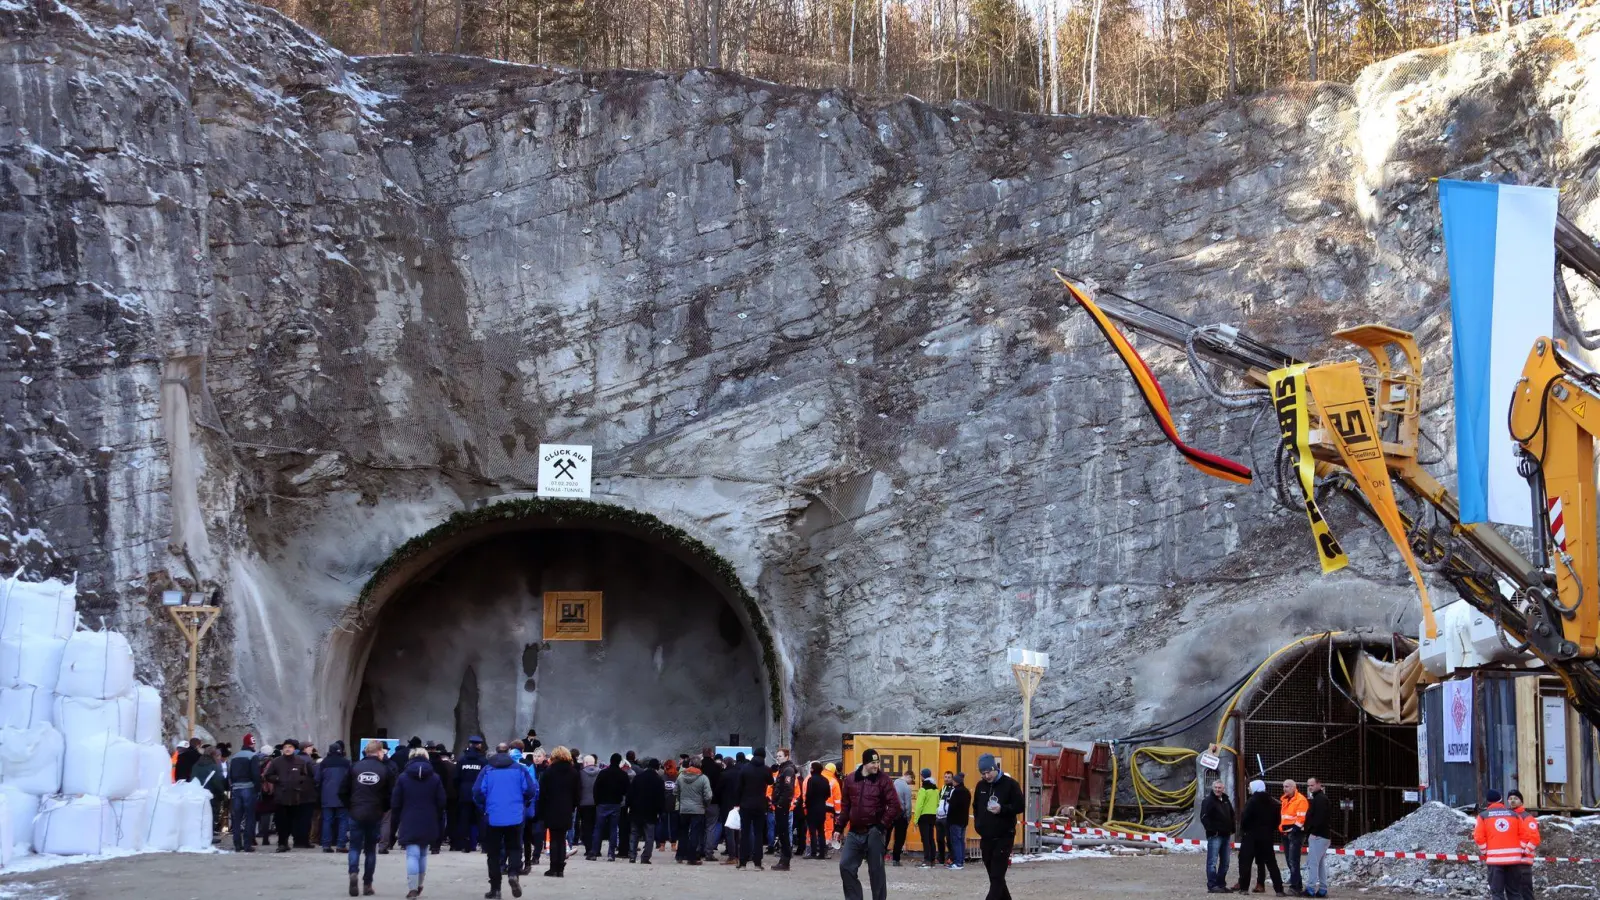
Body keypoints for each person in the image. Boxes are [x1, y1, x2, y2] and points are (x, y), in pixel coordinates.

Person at [475, 742, 536, 899]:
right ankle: (513, 874)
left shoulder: (487, 769)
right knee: (515, 847)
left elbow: (477, 791)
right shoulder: (520, 769)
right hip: (515, 815)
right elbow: (530, 789)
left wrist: (484, 805)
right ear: (509, 751)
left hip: (493, 816)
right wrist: (523, 802)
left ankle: (495, 889)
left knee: (493, 854)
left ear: (496, 751)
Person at [839, 749, 902, 900]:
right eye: (873, 763)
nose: (876, 766)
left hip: (874, 832)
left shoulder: (883, 780)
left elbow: (895, 806)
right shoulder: (850, 779)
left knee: (876, 872)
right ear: (865, 763)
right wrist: (838, 827)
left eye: (877, 762)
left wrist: (881, 825)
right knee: (845, 866)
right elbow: (845, 806)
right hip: (854, 832)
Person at [392, 747, 447, 900]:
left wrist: (397, 818)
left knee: (412, 854)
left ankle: (412, 888)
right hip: (429, 818)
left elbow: (396, 801)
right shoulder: (435, 777)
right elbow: (442, 800)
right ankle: (420, 884)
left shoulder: (403, 777)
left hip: (409, 817)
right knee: (423, 853)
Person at [344, 740, 396, 898]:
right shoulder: (385, 769)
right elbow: (390, 793)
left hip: (356, 811)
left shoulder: (354, 767)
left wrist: (350, 806)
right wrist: (384, 808)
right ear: (380, 752)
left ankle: (353, 872)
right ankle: (367, 884)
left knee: (354, 847)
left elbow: (342, 790)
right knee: (370, 850)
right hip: (375, 812)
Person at [973, 754, 1023, 900]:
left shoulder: (1010, 784)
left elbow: (1020, 806)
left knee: (997, 876)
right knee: (995, 877)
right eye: (983, 773)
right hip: (986, 837)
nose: (986, 776)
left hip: (1004, 836)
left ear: (995, 768)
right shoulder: (980, 786)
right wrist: (978, 824)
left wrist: (1002, 809)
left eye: (989, 772)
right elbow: (976, 806)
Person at [265, 739, 316, 852]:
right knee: (281, 821)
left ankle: (294, 840)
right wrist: (278, 779)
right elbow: (268, 775)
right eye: (285, 747)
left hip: (295, 797)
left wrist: (298, 781)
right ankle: (282, 843)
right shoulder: (277, 762)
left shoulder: (300, 761)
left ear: (294, 749)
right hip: (281, 796)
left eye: (290, 747)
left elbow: (305, 775)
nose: (287, 749)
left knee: (293, 821)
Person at [538, 747, 580, 878]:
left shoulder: (549, 772)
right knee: (562, 838)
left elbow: (543, 793)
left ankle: (553, 867)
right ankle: (560, 868)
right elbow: (577, 793)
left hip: (551, 808)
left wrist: (541, 810)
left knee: (554, 837)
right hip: (566, 808)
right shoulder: (573, 772)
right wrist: (572, 806)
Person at [1236, 779, 1284, 895]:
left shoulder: (1252, 801)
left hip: (1251, 836)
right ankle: (1279, 889)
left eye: (1250, 787)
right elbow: (1277, 820)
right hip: (1266, 837)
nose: (1248, 789)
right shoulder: (1272, 802)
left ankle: (1243, 888)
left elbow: (1245, 818)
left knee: (1245, 861)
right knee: (1271, 863)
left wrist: (1244, 831)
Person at [1475, 789, 1525, 900]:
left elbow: (1479, 838)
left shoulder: (1483, 816)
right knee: (1515, 893)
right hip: (1514, 860)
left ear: (1488, 802)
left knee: (1497, 894)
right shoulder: (1515, 815)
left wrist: (1485, 852)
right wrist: (1520, 851)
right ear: (1501, 800)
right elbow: (1524, 835)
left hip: (1495, 861)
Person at [736, 747, 774, 869]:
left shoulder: (745, 769)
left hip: (745, 804)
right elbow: (771, 782)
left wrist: (738, 802)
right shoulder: (766, 770)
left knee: (745, 833)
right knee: (758, 834)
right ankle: (757, 862)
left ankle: (742, 862)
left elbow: (739, 787)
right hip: (760, 805)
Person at [226, 734, 262, 852]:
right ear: (251, 744)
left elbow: (229, 775)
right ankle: (247, 844)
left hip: (236, 789)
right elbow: (256, 775)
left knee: (237, 818)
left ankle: (237, 844)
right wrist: (258, 789)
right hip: (249, 788)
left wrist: (231, 787)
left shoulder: (234, 757)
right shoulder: (253, 756)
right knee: (250, 817)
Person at [626, 757, 666, 863]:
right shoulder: (658, 780)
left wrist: (628, 805)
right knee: (649, 836)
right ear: (657, 767)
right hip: (651, 812)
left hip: (636, 810)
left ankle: (632, 855)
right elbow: (661, 798)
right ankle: (645, 857)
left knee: (634, 834)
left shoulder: (638, 777)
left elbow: (630, 794)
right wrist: (660, 811)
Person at [591, 753, 629, 861]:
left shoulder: (603, 773)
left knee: (598, 828)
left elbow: (596, 788)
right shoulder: (623, 775)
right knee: (613, 829)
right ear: (619, 762)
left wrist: (597, 801)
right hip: (616, 804)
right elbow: (627, 790)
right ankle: (611, 854)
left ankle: (594, 852)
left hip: (602, 804)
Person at [317, 741, 353, 853]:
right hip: (343, 796)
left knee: (327, 820)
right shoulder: (347, 763)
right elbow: (351, 779)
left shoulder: (323, 763)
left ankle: (326, 845)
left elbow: (317, 779)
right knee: (343, 821)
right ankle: (341, 844)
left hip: (327, 796)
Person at [455, 737, 489, 852]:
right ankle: (484, 845)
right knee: (481, 819)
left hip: (464, 794)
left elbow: (456, 778)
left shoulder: (462, 760)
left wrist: (460, 789)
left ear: (469, 744)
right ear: (479, 745)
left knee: (465, 820)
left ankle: (465, 845)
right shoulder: (483, 761)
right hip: (479, 793)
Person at [1201, 779, 1235, 893]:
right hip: (1215, 836)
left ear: (1223, 789)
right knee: (1212, 862)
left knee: (1225, 862)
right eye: (1215, 787)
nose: (1217, 789)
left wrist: (1232, 829)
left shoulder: (1226, 800)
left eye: (1219, 788)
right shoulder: (1208, 801)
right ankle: (1212, 885)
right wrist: (1212, 830)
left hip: (1226, 835)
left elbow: (1231, 815)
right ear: (1212, 788)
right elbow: (1204, 817)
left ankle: (1221, 884)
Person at [676, 760, 713, 865]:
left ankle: (680, 855)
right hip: (698, 809)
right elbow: (708, 796)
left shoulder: (680, 777)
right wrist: (705, 805)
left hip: (684, 809)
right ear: (700, 766)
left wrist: (682, 801)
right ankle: (692, 857)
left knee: (683, 832)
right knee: (694, 833)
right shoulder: (703, 778)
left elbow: (675, 791)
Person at [1506, 789, 1539, 900]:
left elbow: (1534, 838)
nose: (1512, 801)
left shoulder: (1527, 817)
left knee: (1525, 893)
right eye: (1510, 799)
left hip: (1523, 863)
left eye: (1515, 798)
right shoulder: (1508, 816)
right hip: (1511, 861)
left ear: (1521, 801)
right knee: (1514, 893)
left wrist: (1524, 852)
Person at [1279, 779, 1308, 894]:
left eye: (1287, 786)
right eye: (1283, 786)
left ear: (1293, 787)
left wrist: (1293, 830)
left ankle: (1295, 887)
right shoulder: (1286, 800)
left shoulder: (1300, 800)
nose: (1284, 788)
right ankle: (1296, 884)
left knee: (1293, 860)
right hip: (1287, 832)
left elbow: (1301, 818)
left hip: (1295, 833)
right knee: (1290, 860)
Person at [428, 743, 457, 855]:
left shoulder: (433, 766)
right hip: (452, 796)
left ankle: (434, 842)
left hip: (437, 796)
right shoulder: (453, 766)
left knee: (437, 819)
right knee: (451, 819)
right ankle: (452, 842)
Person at [192, 747, 227, 840]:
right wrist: (222, 794)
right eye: (218, 756)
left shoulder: (196, 765)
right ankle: (208, 837)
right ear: (213, 755)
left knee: (199, 816)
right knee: (210, 815)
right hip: (212, 795)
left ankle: (198, 836)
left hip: (197, 793)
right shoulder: (213, 766)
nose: (219, 758)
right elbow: (217, 782)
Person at [522, 748, 548, 871]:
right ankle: (530, 854)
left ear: (544, 757)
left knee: (538, 831)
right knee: (529, 831)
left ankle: (535, 855)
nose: (536, 758)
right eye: (535, 756)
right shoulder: (528, 769)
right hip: (530, 803)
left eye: (539, 756)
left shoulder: (547, 770)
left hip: (542, 804)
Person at [1304, 778, 1330, 898]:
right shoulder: (1321, 799)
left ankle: (1311, 888)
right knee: (1319, 863)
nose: (1310, 787)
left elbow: (1318, 818)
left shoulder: (1319, 800)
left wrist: (1311, 831)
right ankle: (1322, 889)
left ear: (1319, 784)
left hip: (1318, 835)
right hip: (1322, 835)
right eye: (1309, 785)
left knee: (1313, 863)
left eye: (1312, 785)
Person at [772, 748, 797, 871]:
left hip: (783, 806)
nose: (778, 758)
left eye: (780, 756)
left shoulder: (787, 770)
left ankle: (785, 860)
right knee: (782, 832)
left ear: (787, 756)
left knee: (783, 833)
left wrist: (780, 803)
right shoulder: (783, 769)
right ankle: (784, 859)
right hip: (780, 804)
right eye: (777, 756)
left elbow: (788, 789)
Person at [806, 761, 832, 859]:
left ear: (813, 769)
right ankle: (822, 853)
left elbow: (808, 795)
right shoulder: (825, 780)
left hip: (812, 808)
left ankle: (813, 852)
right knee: (821, 830)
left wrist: (807, 805)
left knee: (812, 831)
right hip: (822, 807)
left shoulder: (811, 780)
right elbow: (828, 794)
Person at [915, 768, 941, 867]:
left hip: (924, 816)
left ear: (922, 776)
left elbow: (919, 806)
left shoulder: (923, 789)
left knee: (925, 839)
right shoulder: (935, 789)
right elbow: (938, 803)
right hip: (933, 815)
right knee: (931, 838)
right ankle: (932, 859)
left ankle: (926, 860)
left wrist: (915, 819)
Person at [578, 753, 602, 859]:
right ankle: (597, 849)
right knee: (597, 826)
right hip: (597, 803)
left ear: (586, 763)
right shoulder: (601, 773)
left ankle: (588, 849)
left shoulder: (580, 774)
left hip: (584, 804)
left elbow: (578, 789)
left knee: (586, 826)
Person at [946, 772, 971, 871]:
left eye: (953, 780)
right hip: (964, 820)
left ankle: (958, 862)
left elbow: (953, 806)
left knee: (956, 841)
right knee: (961, 841)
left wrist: (949, 801)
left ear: (956, 781)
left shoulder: (957, 792)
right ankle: (961, 860)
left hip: (955, 820)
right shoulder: (966, 791)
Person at [891, 770, 914, 866]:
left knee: (886, 836)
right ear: (908, 776)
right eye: (912, 779)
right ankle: (896, 860)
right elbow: (908, 805)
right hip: (901, 815)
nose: (911, 782)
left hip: (890, 813)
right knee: (899, 838)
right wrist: (908, 817)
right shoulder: (906, 787)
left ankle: (879, 858)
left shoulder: (893, 783)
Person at [935, 771, 954, 865]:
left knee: (949, 839)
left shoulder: (953, 789)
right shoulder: (942, 788)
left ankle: (951, 857)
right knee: (939, 839)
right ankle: (941, 858)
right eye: (945, 777)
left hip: (947, 817)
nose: (946, 779)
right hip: (939, 817)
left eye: (949, 777)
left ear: (952, 778)